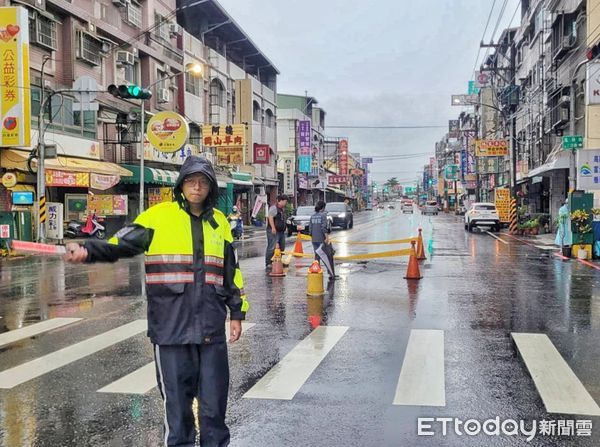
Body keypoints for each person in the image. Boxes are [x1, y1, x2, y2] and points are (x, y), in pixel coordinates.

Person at [64, 156, 248, 447]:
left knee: (214, 411)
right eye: (191, 181)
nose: (197, 187)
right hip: (171, 330)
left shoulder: (220, 223)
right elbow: (120, 245)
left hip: (211, 330)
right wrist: (88, 251)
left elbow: (231, 273)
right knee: (177, 413)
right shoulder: (157, 217)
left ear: (210, 188)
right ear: (181, 185)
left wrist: (237, 313)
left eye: (203, 182)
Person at [265, 194, 288, 268]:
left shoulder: (282, 209)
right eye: (285, 201)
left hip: (281, 231)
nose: (285, 203)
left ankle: (278, 262)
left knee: (282, 247)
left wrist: (285, 227)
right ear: (280, 201)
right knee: (272, 246)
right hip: (274, 230)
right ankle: (269, 263)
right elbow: (270, 217)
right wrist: (273, 227)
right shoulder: (274, 208)